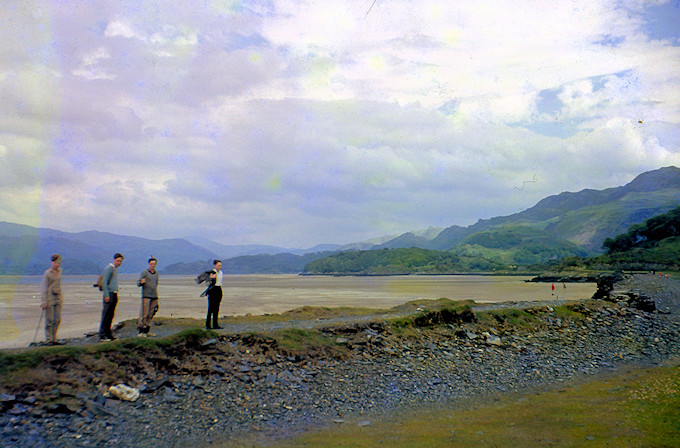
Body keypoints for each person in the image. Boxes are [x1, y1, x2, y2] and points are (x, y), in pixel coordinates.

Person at [99, 253, 124, 341]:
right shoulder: (109, 268)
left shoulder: (115, 269)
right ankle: (102, 335)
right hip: (109, 294)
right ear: (114, 260)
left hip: (114, 293)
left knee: (111, 315)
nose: (119, 263)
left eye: (120, 261)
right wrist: (106, 295)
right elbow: (104, 282)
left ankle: (108, 334)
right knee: (106, 315)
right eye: (118, 261)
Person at [40, 254, 64, 345]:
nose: (58, 264)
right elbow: (44, 287)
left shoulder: (60, 271)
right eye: (56, 262)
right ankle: (49, 339)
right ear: (52, 262)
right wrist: (43, 301)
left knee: (57, 319)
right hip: (49, 298)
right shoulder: (48, 273)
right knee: (49, 319)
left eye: (59, 262)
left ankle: (54, 338)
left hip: (58, 297)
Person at [136, 257, 159, 337]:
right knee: (144, 314)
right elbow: (138, 283)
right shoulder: (145, 273)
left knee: (150, 314)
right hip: (146, 296)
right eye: (151, 264)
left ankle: (147, 331)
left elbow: (156, 284)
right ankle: (140, 331)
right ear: (149, 264)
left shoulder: (156, 274)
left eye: (154, 264)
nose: (153, 265)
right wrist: (142, 282)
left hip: (154, 296)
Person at [205, 259, 223, 330]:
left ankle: (215, 325)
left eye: (220, 265)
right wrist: (211, 278)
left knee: (217, 308)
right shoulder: (212, 272)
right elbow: (207, 281)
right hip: (213, 290)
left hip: (219, 289)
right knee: (210, 308)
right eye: (218, 265)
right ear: (215, 266)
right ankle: (208, 325)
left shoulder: (221, 272)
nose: (219, 267)